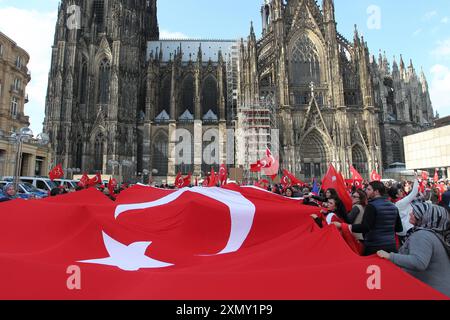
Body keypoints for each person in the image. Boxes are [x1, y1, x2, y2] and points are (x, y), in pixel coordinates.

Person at [377, 201, 450, 298]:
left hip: (432, 292)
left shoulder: (422, 235)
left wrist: (390, 256)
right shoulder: (431, 234)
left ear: (426, 217)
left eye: (415, 213)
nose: (411, 214)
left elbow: (419, 262)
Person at [333, 181, 403, 256]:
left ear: (376, 192)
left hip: (374, 247)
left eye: (369, 189)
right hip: (391, 247)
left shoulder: (371, 206)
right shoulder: (393, 207)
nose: (366, 191)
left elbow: (365, 227)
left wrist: (342, 226)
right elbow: (399, 228)